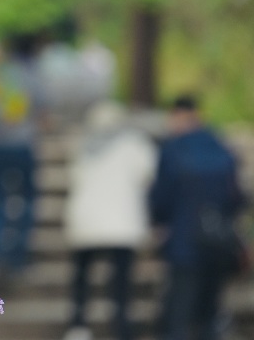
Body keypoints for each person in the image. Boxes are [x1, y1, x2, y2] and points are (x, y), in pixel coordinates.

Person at [149, 95, 247, 340]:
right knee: (210, 315)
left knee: (179, 314)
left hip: (184, 243)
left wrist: (159, 223)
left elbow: (161, 198)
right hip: (218, 242)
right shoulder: (221, 147)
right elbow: (237, 198)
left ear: (177, 116)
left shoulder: (173, 150)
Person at [62, 100, 158, 340]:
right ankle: (121, 328)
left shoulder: (82, 144)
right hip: (122, 223)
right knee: (121, 283)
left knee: (82, 277)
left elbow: (73, 175)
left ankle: (78, 326)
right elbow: (147, 175)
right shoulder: (135, 144)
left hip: (86, 221)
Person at [0, 36, 46, 281]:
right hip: (22, 145)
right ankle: (18, 253)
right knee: (26, 199)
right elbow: (43, 109)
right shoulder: (32, 74)